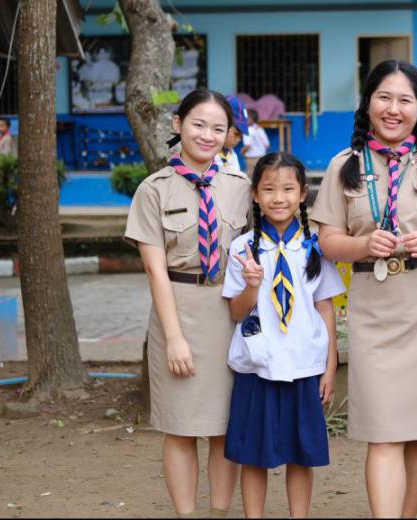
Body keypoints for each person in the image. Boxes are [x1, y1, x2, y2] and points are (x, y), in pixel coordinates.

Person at [311, 59, 417, 517]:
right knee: (383, 431)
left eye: (405, 100)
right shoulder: (343, 166)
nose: (393, 108)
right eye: (384, 97)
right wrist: (363, 244)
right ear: (367, 103)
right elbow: (328, 241)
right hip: (374, 307)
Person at [124, 88, 251, 517]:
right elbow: (155, 271)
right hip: (177, 310)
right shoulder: (153, 190)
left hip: (228, 313)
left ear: (228, 135)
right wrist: (174, 337)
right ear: (178, 125)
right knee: (179, 428)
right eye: (198, 124)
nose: (207, 135)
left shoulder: (240, 188)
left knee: (224, 427)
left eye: (218, 128)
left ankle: (219, 512)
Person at [223, 152, 345, 518]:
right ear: (255, 195)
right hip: (258, 365)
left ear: (303, 194)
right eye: (269, 189)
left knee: (301, 453)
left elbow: (326, 308)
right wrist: (251, 285)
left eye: (288, 189)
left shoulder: (316, 247)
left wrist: (330, 366)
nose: (279, 198)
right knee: (253, 454)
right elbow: (237, 312)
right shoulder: (242, 249)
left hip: (305, 364)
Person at [242, 109, 270, 178]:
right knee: (260, 175)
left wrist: (242, 152)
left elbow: (247, 145)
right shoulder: (260, 129)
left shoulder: (248, 130)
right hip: (262, 156)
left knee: (251, 176)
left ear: (250, 119)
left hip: (252, 158)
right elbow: (267, 144)